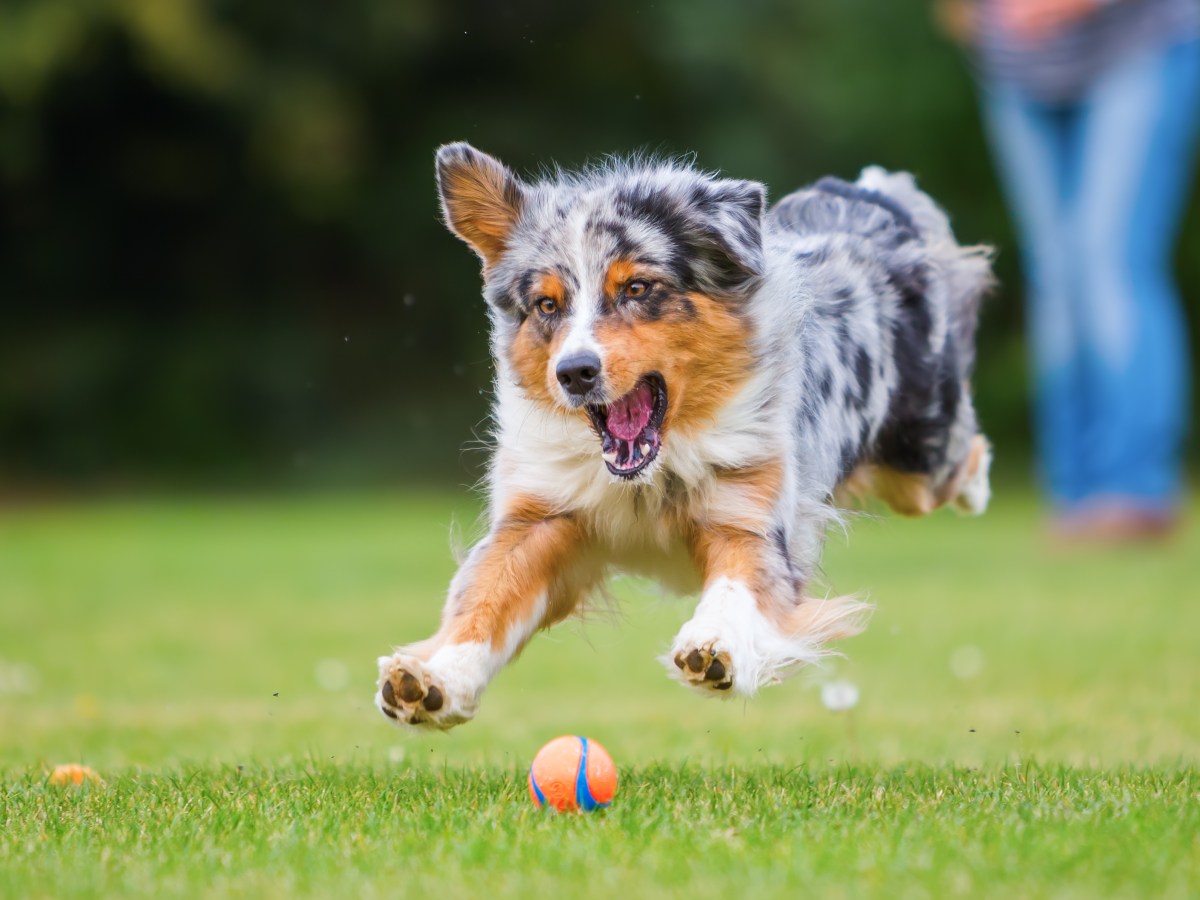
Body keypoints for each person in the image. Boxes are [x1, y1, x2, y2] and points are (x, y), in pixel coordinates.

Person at [940, 0, 1200, 540]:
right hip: (1018, 67)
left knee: (1110, 261)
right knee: (1056, 275)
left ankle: (1134, 491)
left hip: (1137, 43)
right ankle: (1075, 493)